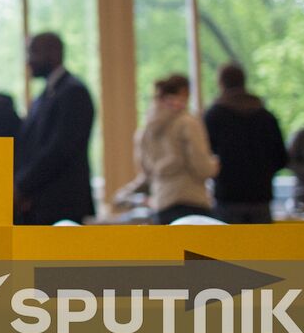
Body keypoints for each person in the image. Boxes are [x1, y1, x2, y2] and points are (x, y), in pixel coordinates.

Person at [14, 32, 96, 225]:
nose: (28, 61)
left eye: (33, 53)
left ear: (53, 53)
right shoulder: (44, 96)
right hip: (39, 206)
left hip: (63, 206)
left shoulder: (73, 92)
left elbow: (60, 149)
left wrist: (21, 186)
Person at [123, 74, 220, 224]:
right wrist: (214, 165)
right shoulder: (187, 123)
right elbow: (202, 167)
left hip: (162, 203)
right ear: (184, 92)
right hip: (192, 200)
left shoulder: (146, 130)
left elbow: (145, 171)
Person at [204, 64, 288, 224]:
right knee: (260, 240)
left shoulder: (214, 116)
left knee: (228, 240)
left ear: (221, 84)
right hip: (261, 195)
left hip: (227, 196)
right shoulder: (266, 117)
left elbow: (205, 155)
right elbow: (281, 158)